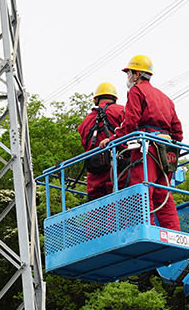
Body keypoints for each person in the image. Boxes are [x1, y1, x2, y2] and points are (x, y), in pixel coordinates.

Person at [111, 54, 182, 230]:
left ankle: (146, 228)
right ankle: (174, 232)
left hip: (147, 147)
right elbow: (178, 131)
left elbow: (131, 121)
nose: (128, 77)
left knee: (142, 187)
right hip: (167, 149)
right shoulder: (165, 98)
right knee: (162, 192)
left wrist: (114, 140)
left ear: (136, 75)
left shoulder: (136, 91)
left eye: (129, 73)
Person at [77, 81, 125, 201]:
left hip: (95, 178)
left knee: (96, 216)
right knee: (120, 213)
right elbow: (130, 130)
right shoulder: (121, 111)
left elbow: (85, 145)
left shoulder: (85, 122)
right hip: (118, 173)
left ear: (96, 100)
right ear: (114, 98)